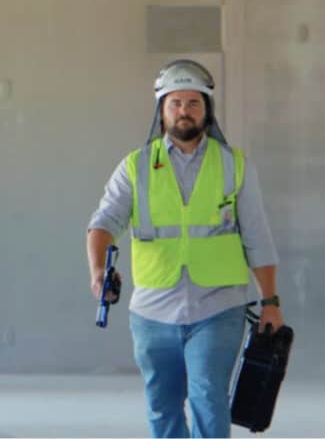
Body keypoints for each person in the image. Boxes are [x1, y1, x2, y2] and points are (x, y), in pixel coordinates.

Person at [86, 59, 283, 438]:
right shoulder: (135, 167)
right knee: (162, 407)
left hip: (218, 305)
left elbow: (258, 237)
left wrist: (270, 302)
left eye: (193, 103)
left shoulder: (235, 165)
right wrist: (98, 271)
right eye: (175, 102)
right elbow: (103, 222)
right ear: (161, 110)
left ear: (207, 110)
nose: (184, 111)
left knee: (208, 396)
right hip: (153, 311)